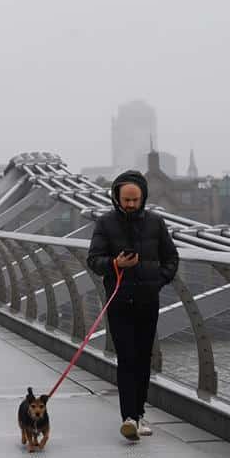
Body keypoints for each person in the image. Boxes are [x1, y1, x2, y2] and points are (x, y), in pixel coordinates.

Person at [86, 170, 178, 441]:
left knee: (143, 358)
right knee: (126, 358)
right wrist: (115, 265)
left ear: (143, 198)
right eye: (125, 199)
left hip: (148, 300)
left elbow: (172, 258)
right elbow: (93, 260)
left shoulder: (156, 223)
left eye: (135, 200)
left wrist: (157, 281)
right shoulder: (104, 224)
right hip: (119, 300)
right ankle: (129, 418)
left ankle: (138, 413)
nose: (130, 204)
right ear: (116, 197)